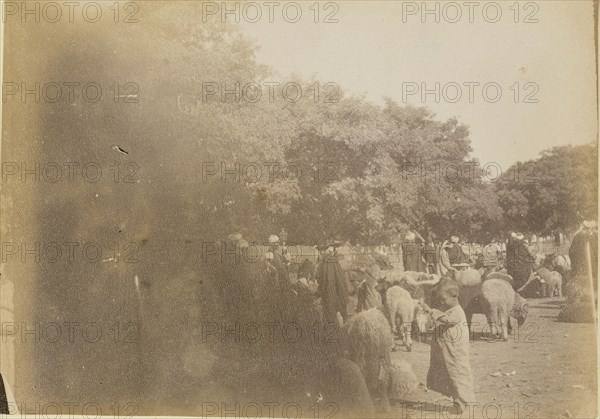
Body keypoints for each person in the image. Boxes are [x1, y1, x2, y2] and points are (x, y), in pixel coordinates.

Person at [423, 281, 475, 414]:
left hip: (456, 352)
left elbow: (447, 320)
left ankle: (463, 402)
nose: (442, 302)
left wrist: (431, 311)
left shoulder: (457, 312)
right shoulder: (449, 309)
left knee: (459, 374)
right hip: (449, 351)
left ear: (454, 296)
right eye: (440, 300)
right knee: (451, 375)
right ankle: (457, 402)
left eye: (444, 299)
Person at [315, 243, 349, 326]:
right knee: (339, 311)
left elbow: (318, 278)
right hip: (337, 291)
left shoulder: (322, 264)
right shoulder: (335, 262)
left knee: (329, 313)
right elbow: (341, 278)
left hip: (327, 292)